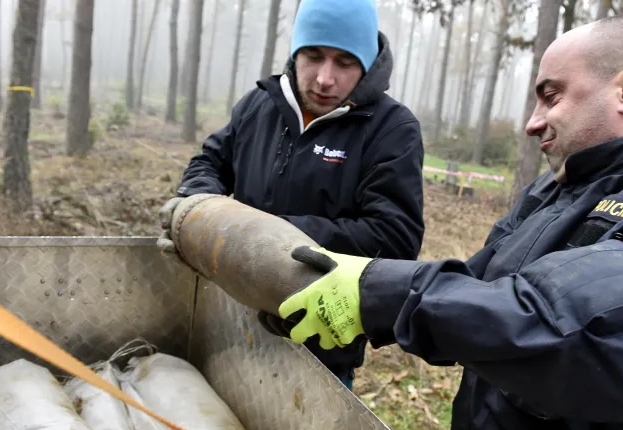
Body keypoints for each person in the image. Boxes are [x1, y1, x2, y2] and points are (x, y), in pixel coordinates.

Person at [272, 15, 623, 430]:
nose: (532, 122)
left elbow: (593, 337)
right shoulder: (553, 191)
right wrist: (368, 289)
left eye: (552, 95)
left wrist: (382, 293)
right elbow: (480, 293)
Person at [157, 0, 426, 391]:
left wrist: (263, 239)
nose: (324, 79)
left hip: (317, 346)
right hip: (230, 329)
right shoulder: (260, 104)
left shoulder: (391, 129)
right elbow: (209, 163)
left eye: (345, 63)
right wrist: (200, 210)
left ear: (367, 64)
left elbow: (394, 240)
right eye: (313, 57)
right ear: (296, 51)